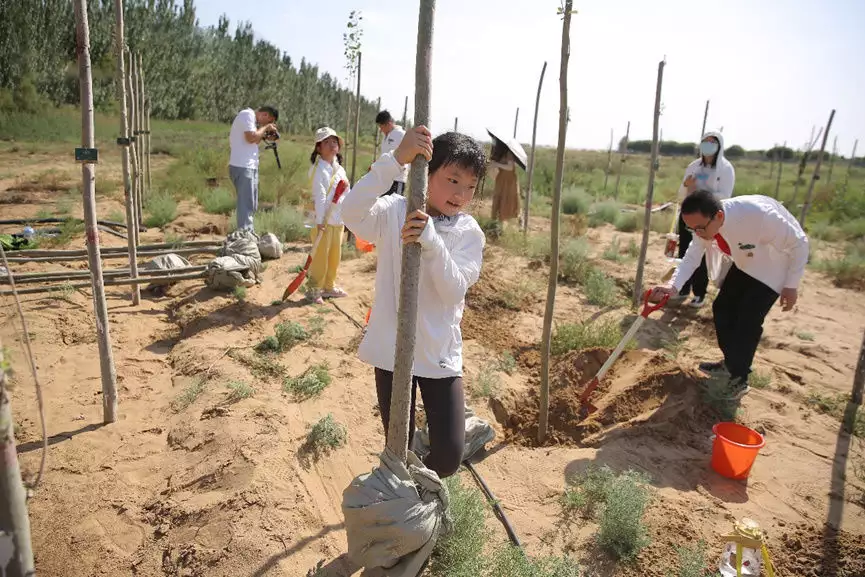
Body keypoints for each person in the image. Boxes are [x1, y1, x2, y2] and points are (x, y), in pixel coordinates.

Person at [341, 127, 486, 478]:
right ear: (427, 172)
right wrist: (394, 162)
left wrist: (432, 242)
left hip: (439, 354)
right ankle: (404, 513)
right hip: (394, 352)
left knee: (449, 457)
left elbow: (453, 291)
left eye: (469, 186)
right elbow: (351, 213)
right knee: (398, 448)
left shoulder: (468, 233)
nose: (460, 194)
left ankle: (426, 489)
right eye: (452, 180)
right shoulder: (395, 212)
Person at [650, 191, 809, 399]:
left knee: (748, 320)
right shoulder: (704, 225)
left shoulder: (758, 216)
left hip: (774, 267)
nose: (696, 233)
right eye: (691, 228)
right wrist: (673, 287)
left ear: (719, 216)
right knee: (722, 308)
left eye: (700, 228)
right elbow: (692, 256)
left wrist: (791, 284)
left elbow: (800, 243)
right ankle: (730, 363)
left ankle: (739, 380)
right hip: (746, 264)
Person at [673, 131, 735, 308]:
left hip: (708, 219)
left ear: (719, 145)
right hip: (688, 216)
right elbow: (682, 192)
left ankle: (699, 293)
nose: (708, 145)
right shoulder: (694, 166)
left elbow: (725, 195)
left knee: (702, 254)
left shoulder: (725, 169)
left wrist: (699, 195)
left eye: (712, 142)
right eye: (705, 141)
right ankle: (682, 289)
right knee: (685, 251)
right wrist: (686, 186)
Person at [307, 127, 350, 305]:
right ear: (319, 148)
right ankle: (313, 290)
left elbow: (348, 192)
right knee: (320, 257)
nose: (332, 145)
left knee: (334, 255)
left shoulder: (339, 169)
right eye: (327, 142)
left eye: (334, 141)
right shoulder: (318, 170)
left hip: (337, 219)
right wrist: (319, 222)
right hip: (321, 220)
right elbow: (320, 196)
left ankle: (329, 286)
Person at [228, 106, 279, 232]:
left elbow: (254, 140)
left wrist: (265, 135)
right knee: (246, 205)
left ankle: (247, 233)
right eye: (269, 121)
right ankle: (245, 236)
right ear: (265, 115)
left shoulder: (251, 120)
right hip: (243, 166)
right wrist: (266, 128)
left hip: (248, 166)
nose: (266, 124)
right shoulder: (247, 115)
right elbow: (251, 138)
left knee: (251, 204)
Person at [375, 110, 409, 196]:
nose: (381, 129)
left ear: (388, 123)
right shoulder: (385, 137)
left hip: (397, 180)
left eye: (381, 126)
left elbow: (407, 155)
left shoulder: (401, 135)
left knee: (394, 206)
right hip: (385, 179)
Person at [489, 139, 521, 223]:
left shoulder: (509, 153)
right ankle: (498, 223)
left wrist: (497, 164)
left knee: (508, 201)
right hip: (501, 180)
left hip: (509, 181)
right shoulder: (499, 154)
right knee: (498, 200)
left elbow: (510, 167)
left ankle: (519, 220)